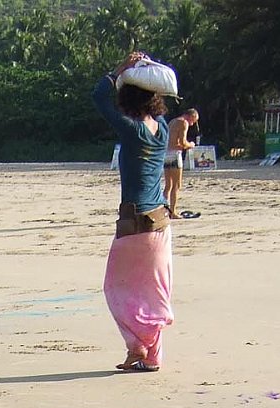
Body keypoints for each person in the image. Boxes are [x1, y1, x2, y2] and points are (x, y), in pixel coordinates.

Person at [93, 52, 173, 373]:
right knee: (153, 293)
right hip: (161, 224)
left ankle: (137, 347)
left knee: (116, 288)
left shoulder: (133, 131)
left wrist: (120, 69)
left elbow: (99, 98)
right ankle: (150, 356)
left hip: (135, 223)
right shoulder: (162, 129)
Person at [165, 106, 199, 218]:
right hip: (175, 155)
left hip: (165, 154)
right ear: (191, 116)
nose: (192, 124)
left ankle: (164, 210)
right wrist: (191, 145)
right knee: (176, 185)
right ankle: (173, 212)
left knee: (168, 185)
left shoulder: (172, 121)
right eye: (193, 121)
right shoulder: (183, 123)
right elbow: (182, 142)